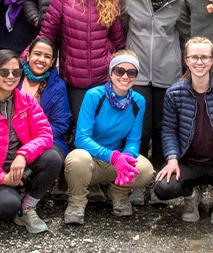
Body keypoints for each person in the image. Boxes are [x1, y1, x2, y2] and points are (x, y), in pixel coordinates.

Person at [0, 50, 61, 234]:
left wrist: (23, 155)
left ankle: (28, 206)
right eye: (4, 72)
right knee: (7, 207)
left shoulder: (27, 101)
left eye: (16, 72)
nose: (10, 77)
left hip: (19, 167)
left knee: (53, 157)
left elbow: (45, 134)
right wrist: (2, 178)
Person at [154, 37, 213, 225]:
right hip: (189, 161)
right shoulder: (174, 93)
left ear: (212, 60)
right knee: (163, 188)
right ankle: (191, 195)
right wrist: (172, 159)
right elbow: (168, 130)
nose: (199, 62)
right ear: (186, 60)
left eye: (204, 57)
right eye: (194, 57)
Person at [63, 50, 154, 224]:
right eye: (119, 71)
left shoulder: (138, 101)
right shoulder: (94, 96)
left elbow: (134, 140)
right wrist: (112, 157)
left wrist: (127, 156)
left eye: (131, 72)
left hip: (118, 159)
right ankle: (77, 201)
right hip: (92, 159)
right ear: (111, 73)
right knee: (76, 159)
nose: (125, 76)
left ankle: (118, 193)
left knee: (146, 170)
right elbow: (81, 138)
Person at [38, 0, 125, 123]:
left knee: (101, 130)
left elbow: (118, 41)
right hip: (73, 79)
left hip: (103, 79)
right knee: (78, 129)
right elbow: (47, 34)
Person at [120, 0, 185, 177]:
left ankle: (159, 177)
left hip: (167, 72)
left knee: (161, 128)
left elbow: (185, 32)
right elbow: (123, 28)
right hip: (136, 73)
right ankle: (137, 177)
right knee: (139, 128)